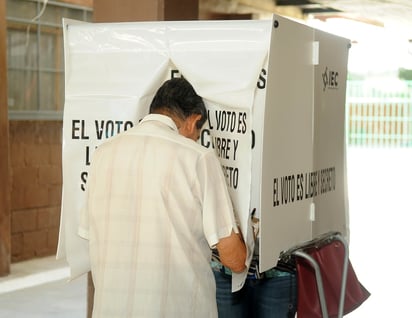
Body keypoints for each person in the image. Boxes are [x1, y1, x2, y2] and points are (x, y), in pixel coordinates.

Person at [78, 77, 247, 318]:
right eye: (198, 133)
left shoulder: (102, 154)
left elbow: (88, 234)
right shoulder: (198, 158)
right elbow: (234, 259)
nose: (196, 139)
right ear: (194, 121)